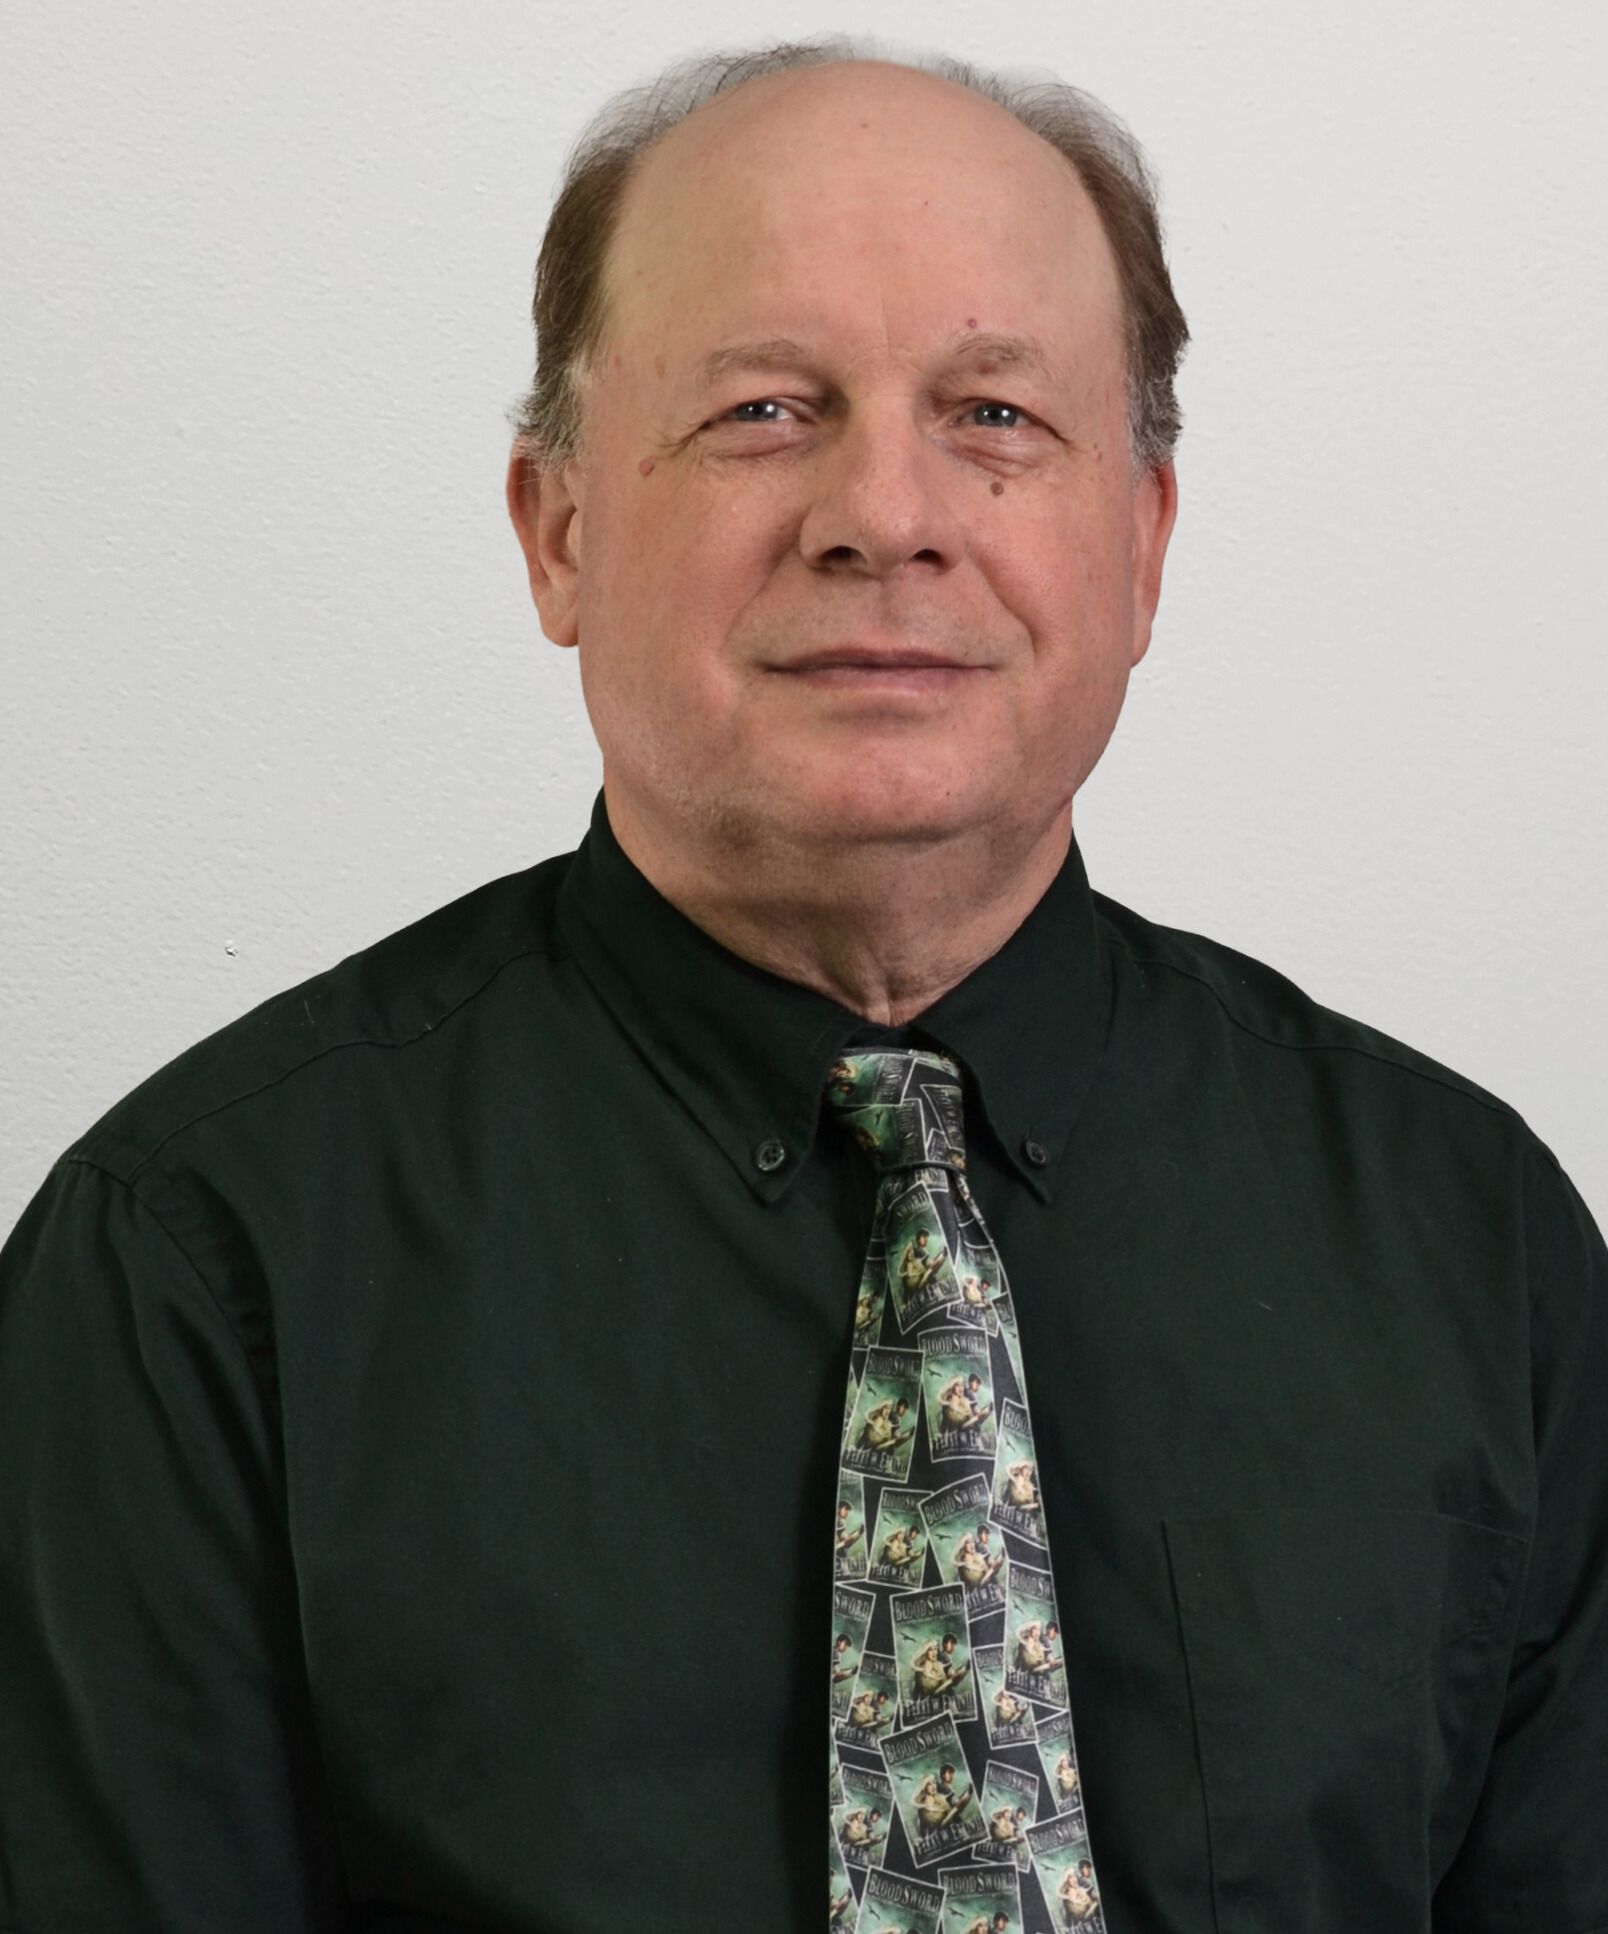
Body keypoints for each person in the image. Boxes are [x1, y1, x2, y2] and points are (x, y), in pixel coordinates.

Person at [0, 28, 1603, 1934]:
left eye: (995, 414)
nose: (887, 513)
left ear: (1145, 543)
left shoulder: (1473, 1243)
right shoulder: (196, 1271)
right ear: (558, 530)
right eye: (766, 409)